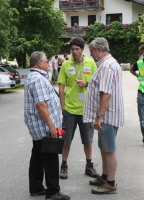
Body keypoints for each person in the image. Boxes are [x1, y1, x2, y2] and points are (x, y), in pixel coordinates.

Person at [24, 51, 70, 200]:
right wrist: (51, 127)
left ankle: (36, 188)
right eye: (46, 61)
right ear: (39, 63)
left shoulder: (35, 77)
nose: (49, 64)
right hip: (43, 127)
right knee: (50, 159)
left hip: (38, 126)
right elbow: (41, 105)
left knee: (37, 157)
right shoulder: (38, 79)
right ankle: (53, 193)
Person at [83, 37, 124, 194]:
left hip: (106, 115)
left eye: (92, 51)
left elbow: (106, 94)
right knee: (103, 147)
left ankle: (111, 184)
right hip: (106, 115)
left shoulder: (107, 66)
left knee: (109, 149)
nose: (91, 55)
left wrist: (99, 116)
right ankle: (105, 177)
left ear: (99, 50)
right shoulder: (108, 64)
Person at [57, 37, 98, 179]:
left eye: (77, 49)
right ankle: (63, 165)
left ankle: (89, 166)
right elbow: (61, 87)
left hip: (86, 110)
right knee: (66, 140)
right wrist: (62, 106)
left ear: (82, 50)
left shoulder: (91, 63)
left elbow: (96, 84)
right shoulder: (65, 65)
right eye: (72, 49)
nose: (74, 52)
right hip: (70, 110)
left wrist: (86, 83)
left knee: (88, 140)